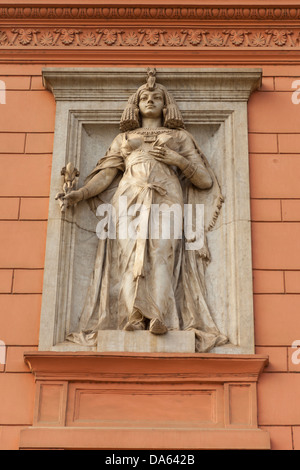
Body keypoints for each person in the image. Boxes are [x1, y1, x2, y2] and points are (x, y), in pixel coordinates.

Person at [62, 69, 228, 352]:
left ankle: (159, 317)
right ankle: (133, 317)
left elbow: (204, 180)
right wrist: (80, 192)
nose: (150, 101)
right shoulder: (124, 140)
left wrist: (177, 160)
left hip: (167, 199)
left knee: (162, 252)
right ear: (135, 105)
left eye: (157, 97)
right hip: (128, 199)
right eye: (144, 97)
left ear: (166, 104)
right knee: (127, 256)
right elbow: (105, 176)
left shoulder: (179, 136)